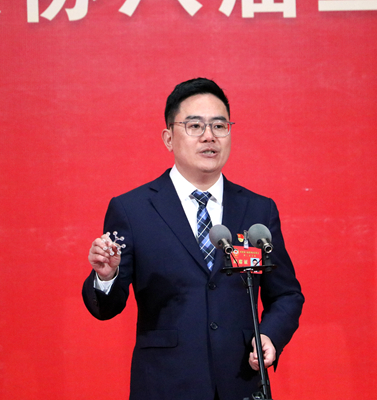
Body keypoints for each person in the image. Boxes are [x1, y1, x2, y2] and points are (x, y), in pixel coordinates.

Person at [83, 78, 304, 400]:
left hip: (240, 382)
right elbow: (106, 308)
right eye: (195, 126)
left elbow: (286, 294)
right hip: (164, 385)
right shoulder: (132, 209)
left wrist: (269, 335)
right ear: (168, 138)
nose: (209, 136)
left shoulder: (258, 209)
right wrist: (107, 276)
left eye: (219, 126)